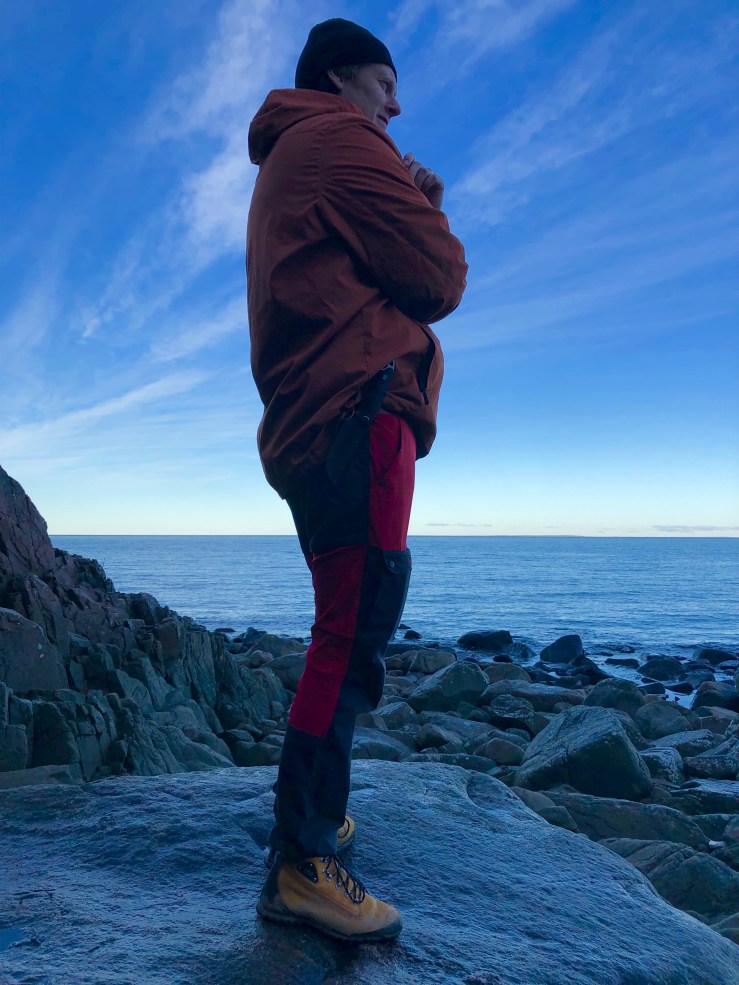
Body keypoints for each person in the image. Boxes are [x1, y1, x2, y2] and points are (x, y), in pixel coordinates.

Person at [246, 17, 467, 943]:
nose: (395, 106)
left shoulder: (297, 151)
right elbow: (439, 276)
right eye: (385, 84)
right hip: (357, 411)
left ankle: (316, 820)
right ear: (340, 78)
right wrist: (424, 206)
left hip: (317, 421)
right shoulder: (339, 138)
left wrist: (404, 196)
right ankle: (304, 864)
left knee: (342, 621)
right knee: (356, 624)